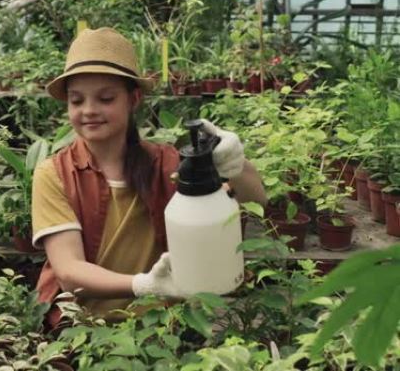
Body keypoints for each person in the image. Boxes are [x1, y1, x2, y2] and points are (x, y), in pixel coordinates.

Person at [31, 27, 267, 324]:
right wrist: (144, 285)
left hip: (157, 327)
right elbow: (68, 273)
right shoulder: (55, 174)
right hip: (82, 330)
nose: (89, 110)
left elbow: (256, 199)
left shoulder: (166, 163)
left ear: (134, 99)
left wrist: (236, 163)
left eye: (106, 99)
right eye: (77, 100)